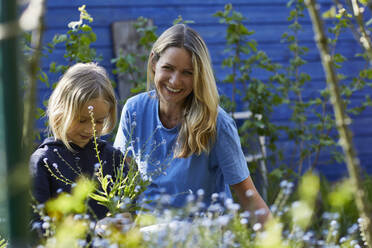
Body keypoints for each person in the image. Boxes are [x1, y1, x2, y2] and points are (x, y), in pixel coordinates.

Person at [114, 24, 270, 224]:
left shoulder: (216, 124)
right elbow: (120, 183)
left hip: (200, 235)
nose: (175, 81)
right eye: (168, 68)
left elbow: (249, 197)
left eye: (187, 72)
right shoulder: (134, 110)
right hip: (148, 234)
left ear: (199, 75)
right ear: (154, 62)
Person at [30, 62, 125, 220]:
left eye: (99, 121)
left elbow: (130, 206)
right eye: (81, 120)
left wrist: (126, 218)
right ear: (61, 112)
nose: (90, 129)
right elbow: (34, 226)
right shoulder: (44, 161)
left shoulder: (113, 158)